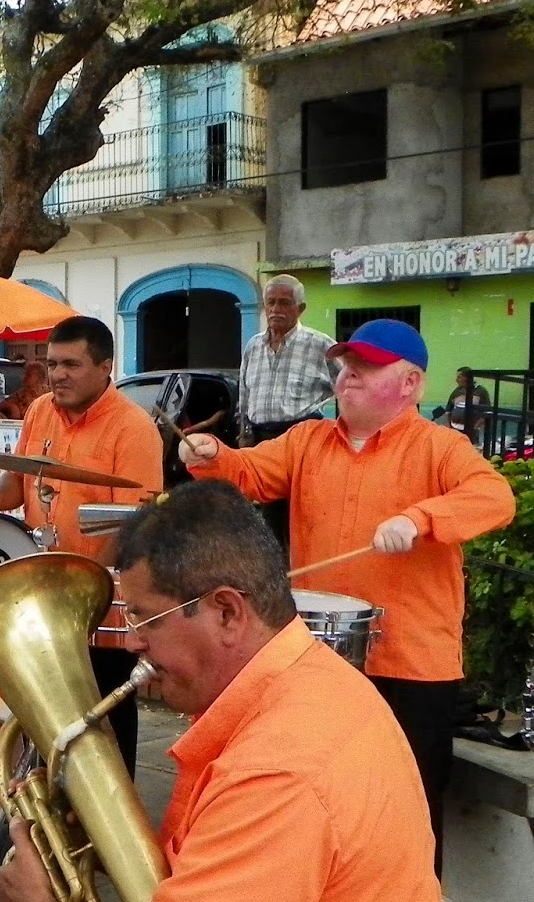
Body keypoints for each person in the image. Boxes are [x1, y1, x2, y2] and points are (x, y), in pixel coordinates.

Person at [0, 480, 445, 902]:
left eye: (147, 619)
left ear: (227, 611)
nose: (132, 642)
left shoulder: (281, 772)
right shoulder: (308, 682)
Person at [181, 318, 516, 871]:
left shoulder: (441, 447)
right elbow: (246, 474)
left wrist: (421, 518)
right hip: (318, 657)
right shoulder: (308, 440)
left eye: (366, 366)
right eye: (345, 365)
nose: (348, 374)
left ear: (410, 384)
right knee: (312, 800)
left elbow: (494, 497)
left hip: (411, 663)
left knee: (407, 807)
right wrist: (208, 454)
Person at [0, 316, 162, 772]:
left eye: (72, 365)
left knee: (104, 720)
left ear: (106, 367)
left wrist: (84, 598)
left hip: (102, 608)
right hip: (43, 598)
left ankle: (112, 828)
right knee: (50, 722)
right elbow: (16, 485)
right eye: (52, 364)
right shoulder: (40, 409)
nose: (58, 375)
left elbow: (130, 527)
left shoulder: (133, 428)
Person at [236, 274, 338, 546]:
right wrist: (244, 433)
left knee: (299, 515)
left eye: (284, 303)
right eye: (271, 303)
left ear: (300, 308)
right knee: (265, 516)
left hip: (302, 438)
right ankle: (274, 575)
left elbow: (349, 387)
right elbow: (244, 392)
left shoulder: (321, 345)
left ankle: (300, 576)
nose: (276, 310)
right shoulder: (253, 346)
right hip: (261, 439)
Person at [444, 366, 491, 444]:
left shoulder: (481, 391)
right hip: (455, 431)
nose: (456, 380)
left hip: (471, 433)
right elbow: (448, 410)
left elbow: (486, 413)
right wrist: (449, 427)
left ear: (467, 378)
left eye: (459, 377)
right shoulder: (456, 391)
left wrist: (475, 427)